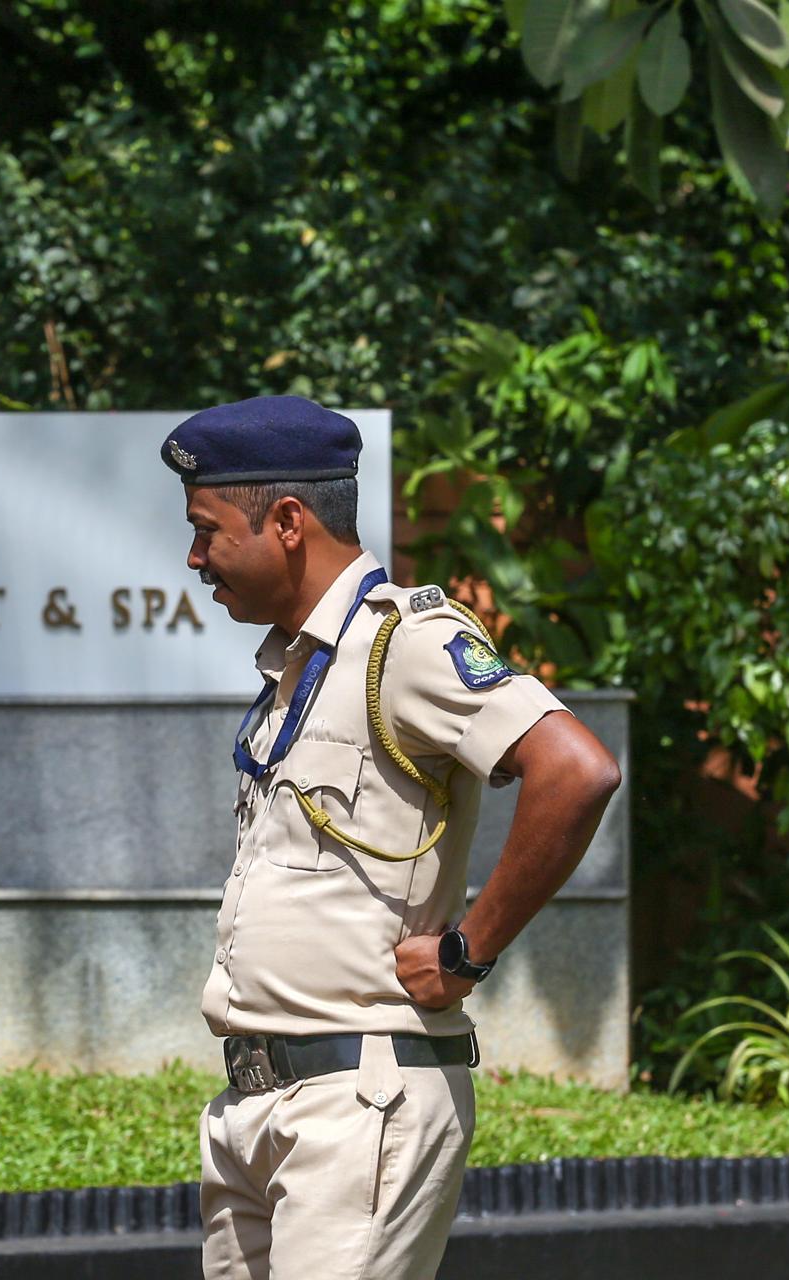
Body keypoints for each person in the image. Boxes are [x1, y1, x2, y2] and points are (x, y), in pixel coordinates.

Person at [161, 396, 621, 1280]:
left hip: (361, 1098)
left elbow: (578, 769)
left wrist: (468, 949)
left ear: (287, 522)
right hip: (257, 1103)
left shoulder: (404, 645)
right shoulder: (297, 666)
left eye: (206, 529)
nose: (194, 557)